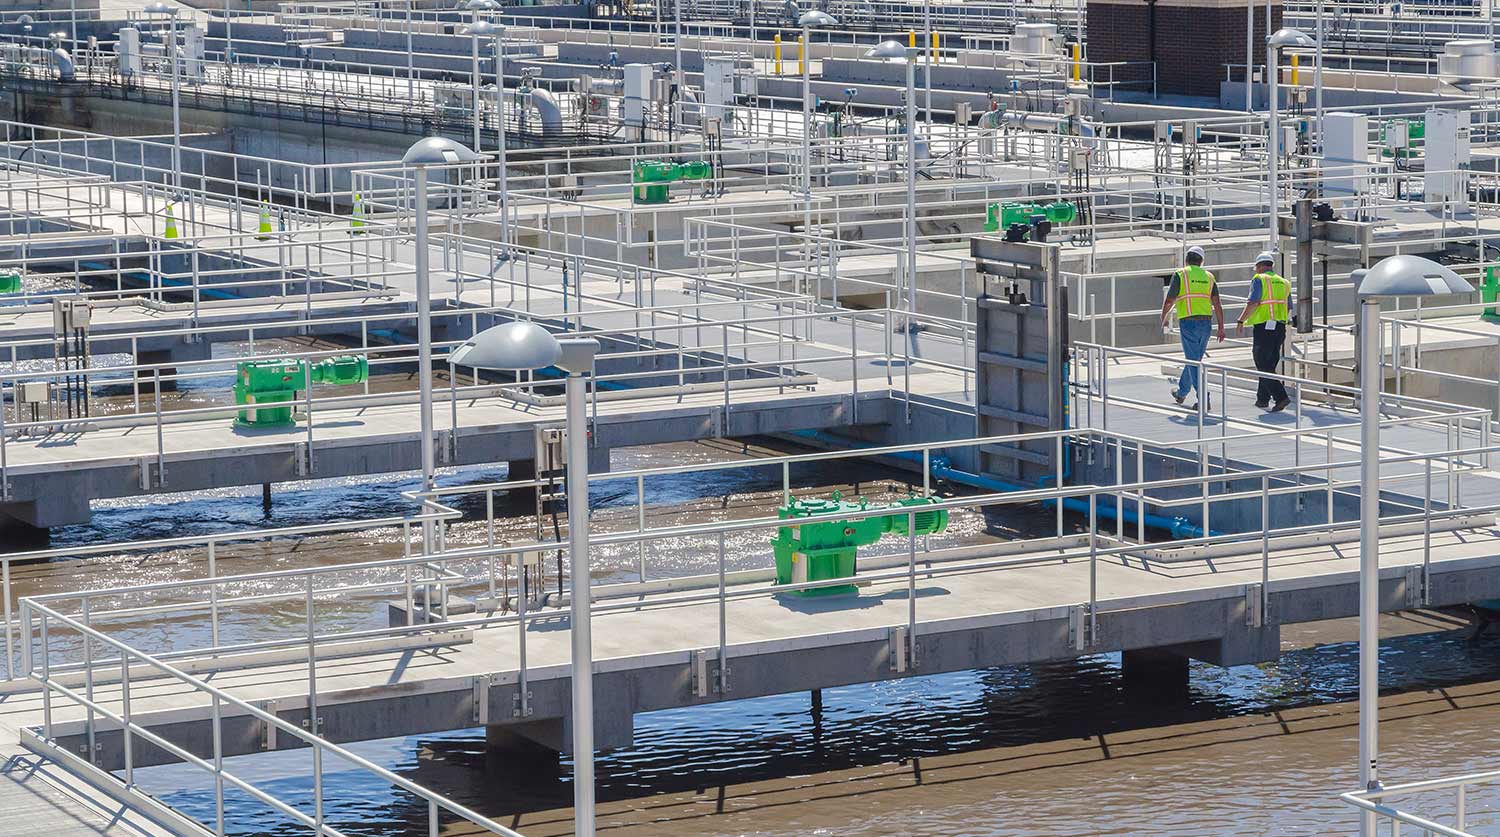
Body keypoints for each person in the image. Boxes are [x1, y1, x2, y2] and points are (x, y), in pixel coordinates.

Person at [1160, 245, 1225, 409]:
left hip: (1188, 322)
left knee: (1194, 361)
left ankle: (1203, 398)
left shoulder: (1181, 274)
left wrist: (1164, 316)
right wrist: (1221, 327)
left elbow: (1169, 300)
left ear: (1186, 259)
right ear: (1201, 261)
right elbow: (1217, 303)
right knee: (1195, 359)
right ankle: (1182, 393)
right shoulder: (1209, 277)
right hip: (1206, 323)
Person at [1237, 251, 1292, 412]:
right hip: (1280, 327)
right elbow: (1289, 306)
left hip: (1263, 328)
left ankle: (1281, 397)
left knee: (1261, 363)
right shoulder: (1284, 282)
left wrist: (1241, 320)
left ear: (1260, 266)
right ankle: (1262, 399)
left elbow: (1253, 302)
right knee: (1269, 362)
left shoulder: (1259, 279)